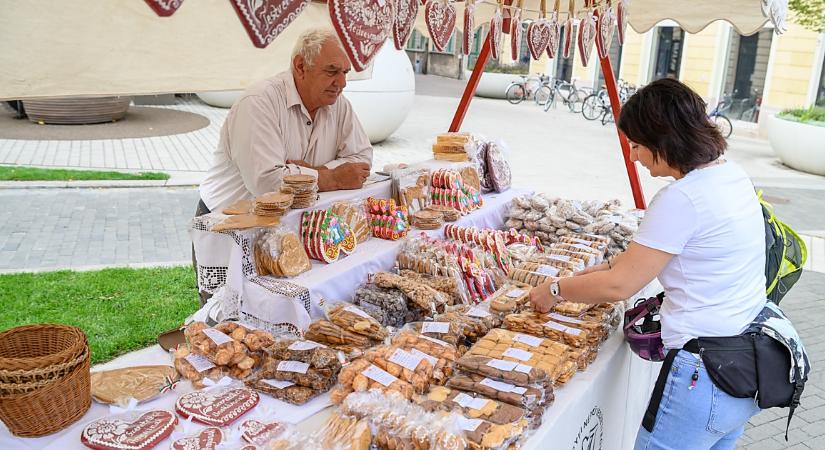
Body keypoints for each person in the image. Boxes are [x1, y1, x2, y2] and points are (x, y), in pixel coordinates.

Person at [530, 78, 765, 449]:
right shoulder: (730, 175)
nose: (633, 157)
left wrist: (554, 290)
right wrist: (611, 266)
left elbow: (619, 287)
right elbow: (666, 253)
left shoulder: (682, 198)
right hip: (743, 365)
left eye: (637, 146)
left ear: (664, 140)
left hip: (702, 375)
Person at [196, 27, 373, 217]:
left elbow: (361, 159)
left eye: (345, 72)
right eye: (332, 71)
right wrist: (334, 178)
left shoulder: (339, 105)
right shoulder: (259, 101)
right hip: (226, 224)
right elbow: (266, 183)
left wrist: (310, 172)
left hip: (287, 224)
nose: (342, 82)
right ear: (300, 66)